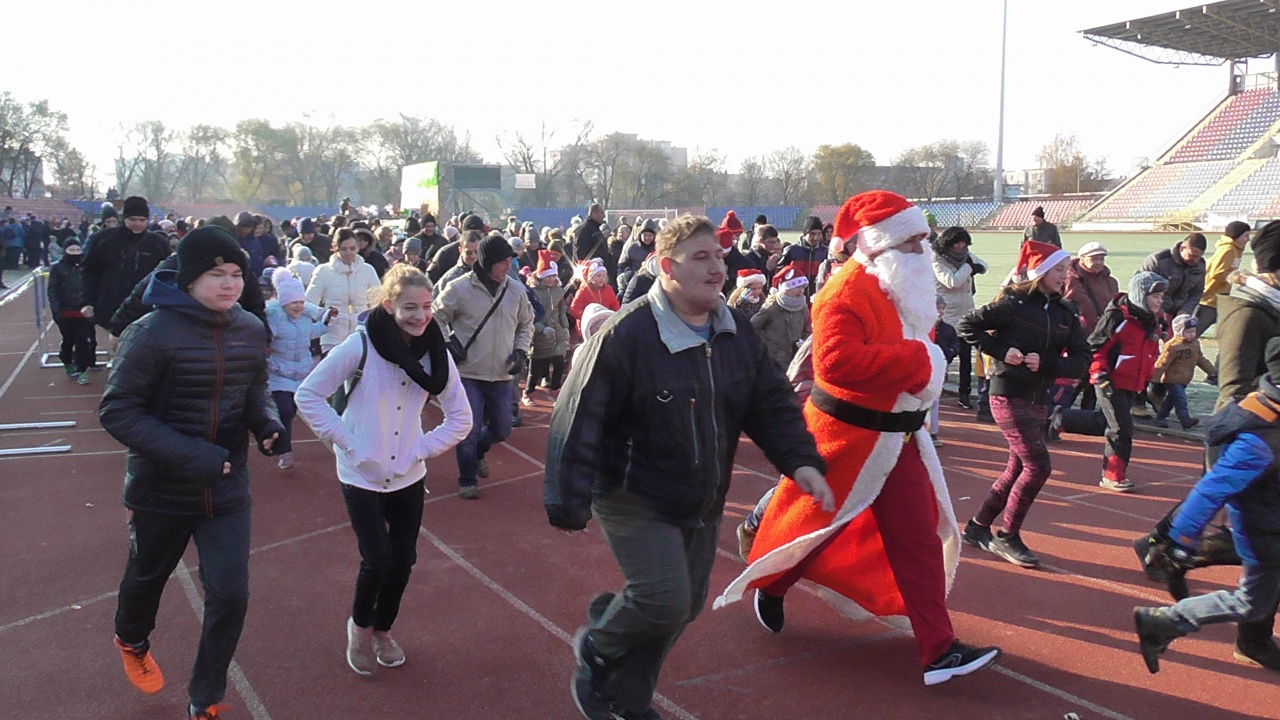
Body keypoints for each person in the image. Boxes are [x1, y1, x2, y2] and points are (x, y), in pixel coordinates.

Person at [546, 214, 831, 720]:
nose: (717, 267)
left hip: (700, 494)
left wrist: (801, 461)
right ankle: (598, 646)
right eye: (701, 257)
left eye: (719, 256)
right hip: (633, 491)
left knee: (686, 603)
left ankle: (627, 699)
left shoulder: (734, 331)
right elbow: (579, 411)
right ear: (666, 267)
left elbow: (768, 403)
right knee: (663, 599)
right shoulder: (627, 334)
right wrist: (567, 497)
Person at [719, 191, 1001, 687]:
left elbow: (915, 342)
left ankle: (938, 651)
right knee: (819, 528)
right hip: (843, 439)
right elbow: (836, 365)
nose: (923, 248)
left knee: (917, 539)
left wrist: (927, 358)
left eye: (923, 238)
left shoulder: (903, 285)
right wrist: (920, 364)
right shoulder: (844, 292)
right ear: (880, 244)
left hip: (898, 439)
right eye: (913, 240)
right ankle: (774, 580)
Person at [101, 226, 284, 720]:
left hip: (226, 487)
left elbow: (255, 389)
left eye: (236, 274)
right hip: (161, 489)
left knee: (230, 593)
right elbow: (117, 410)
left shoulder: (247, 327)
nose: (229, 284)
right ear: (187, 279)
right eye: (215, 274)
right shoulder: (151, 332)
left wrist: (267, 423)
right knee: (147, 576)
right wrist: (190, 454)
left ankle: (205, 695)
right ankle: (131, 638)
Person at [296, 264, 472, 675]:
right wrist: (351, 443)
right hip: (361, 473)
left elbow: (460, 418)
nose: (420, 316)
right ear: (390, 304)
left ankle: (383, 630)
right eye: (410, 307)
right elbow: (309, 396)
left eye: (427, 306)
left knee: (403, 560)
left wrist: (419, 450)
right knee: (375, 558)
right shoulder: (359, 346)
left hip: (408, 475)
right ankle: (360, 628)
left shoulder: (436, 355)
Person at [1133, 339, 1280, 674]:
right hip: (1264, 535)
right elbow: (1210, 490)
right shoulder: (1260, 439)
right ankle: (1163, 620)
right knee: (1251, 602)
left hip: (1271, 524)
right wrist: (1181, 540)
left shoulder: (1272, 414)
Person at [957, 240, 1090, 566]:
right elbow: (966, 325)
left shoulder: (1065, 312)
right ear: (1041, 271)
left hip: (1038, 397)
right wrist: (1002, 351)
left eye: (1066, 269)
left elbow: (1082, 359)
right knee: (1038, 466)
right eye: (1059, 269)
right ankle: (1007, 536)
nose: (1065, 275)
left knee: (1018, 467)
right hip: (1006, 393)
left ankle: (977, 528)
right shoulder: (1012, 303)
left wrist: (1044, 364)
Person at [433, 234, 534, 499]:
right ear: (488, 262)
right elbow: (435, 317)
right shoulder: (459, 288)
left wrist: (521, 350)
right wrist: (447, 342)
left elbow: (526, 323)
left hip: (502, 374)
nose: (508, 266)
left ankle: (479, 451)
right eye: (503, 261)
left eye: (511, 260)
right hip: (468, 373)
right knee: (469, 428)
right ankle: (467, 478)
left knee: (502, 428)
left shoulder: (515, 290)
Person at [1054, 272, 1169, 493]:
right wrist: (1100, 376)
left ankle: (1061, 417)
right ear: (1141, 295)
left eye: (1162, 296)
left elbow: (1150, 351)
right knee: (1121, 428)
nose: (1160, 300)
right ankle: (1112, 475)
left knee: (1105, 421)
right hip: (1109, 381)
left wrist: (1147, 378)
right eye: (1155, 295)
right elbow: (1095, 348)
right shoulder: (1117, 318)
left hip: (1133, 383)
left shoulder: (1154, 321)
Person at [80, 196, 170, 363]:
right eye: (132, 219)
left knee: (143, 352)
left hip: (146, 306)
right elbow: (89, 271)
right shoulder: (102, 239)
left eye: (142, 220)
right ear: (124, 218)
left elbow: (168, 275)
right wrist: (87, 301)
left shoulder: (158, 243)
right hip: (111, 304)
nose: (137, 224)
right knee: (121, 349)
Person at [265, 269, 334, 469]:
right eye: (294, 302)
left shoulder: (305, 319)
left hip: (302, 373)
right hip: (279, 374)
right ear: (284, 302)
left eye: (301, 302)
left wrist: (327, 322)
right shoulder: (274, 317)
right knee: (285, 410)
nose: (298, 306)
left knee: (302, 408)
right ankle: (284, 451)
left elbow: (313, 332)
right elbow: (266, 337)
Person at [931, 226, 988, 409]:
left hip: (966, 314)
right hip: (946, 317)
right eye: (956, 243)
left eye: (963, 243)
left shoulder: (966, 256)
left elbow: (984, 266)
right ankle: (934, 390)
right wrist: (969, 267)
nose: (960, 246)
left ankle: (964, 394)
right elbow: (952, 282)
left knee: (965, 358)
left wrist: (974, 266)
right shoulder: (937, 261)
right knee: (943, 357)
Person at [305, 229, 381, 356]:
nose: (348, 253)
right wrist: (324, 315)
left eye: (352, 248)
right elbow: (308, 303)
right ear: (335, 248)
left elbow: (378, 301)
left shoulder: (368, 270)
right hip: (332, 337)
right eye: (343, 249)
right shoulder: (323, 271)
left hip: (361, 335)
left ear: (358, 247)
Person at [1063, 241, 1119, 410]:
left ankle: (1086, 415)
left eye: (1102, 259)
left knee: (1095, 380)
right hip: (1079, 337)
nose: (1099, 263)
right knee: (1076, 378)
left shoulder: (1110, 282)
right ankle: (1057, 414)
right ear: (1082, 259)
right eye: (1094, 259)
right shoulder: (1070, 280)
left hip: (1104, 337)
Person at [1153, 314, 1215, 430]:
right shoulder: (1173, 346)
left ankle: (1160, 417)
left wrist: (1212, 372)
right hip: (1173, 379)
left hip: (1185, 379)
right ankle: (1185, 420)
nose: (1192, 334)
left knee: (1170, 400)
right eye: (1188, 332)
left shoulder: (1195, 344)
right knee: (1181, 399)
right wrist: (1156, 377)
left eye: (1193, 331)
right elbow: (1163, 362)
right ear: (1179, 331)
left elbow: (1201, 360)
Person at [46, 236, 95, 384]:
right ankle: (66, 360)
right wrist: (56, 311)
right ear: (65, 251)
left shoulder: (85, 266)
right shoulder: (57, 268)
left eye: (77, 250)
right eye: (71, 250)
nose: (75, 253)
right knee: (69, 340)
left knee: (83, 341)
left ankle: (82, 370)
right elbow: (52, 291)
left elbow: (91, 286)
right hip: (65, 312)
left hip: (82, 311)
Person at [524, 250, 570, 405]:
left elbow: (562, 310)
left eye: (553, 276)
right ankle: (528, 393)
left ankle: (555, 391)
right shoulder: (533, 292)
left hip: (556, 333)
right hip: (539, 335)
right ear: (541, 276)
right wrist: (541, 328)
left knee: (559, 363)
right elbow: (528, 315)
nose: (551, 279)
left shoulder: (558, 290)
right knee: (535, 368)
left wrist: (565, 328)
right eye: (548, 276)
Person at [1194, 220, 1253, 334]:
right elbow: (1216, 273)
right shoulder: (1228, 249)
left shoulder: (1236, 250)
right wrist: (1236, 278)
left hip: (1219, 299)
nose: (1248, 239)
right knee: (1191, 335)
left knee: (1228, 331)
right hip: (1208, 300)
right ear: (1237, 235)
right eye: (1246, 235)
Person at [750, 265, 811, 372]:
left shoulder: (803, 307)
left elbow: (808, 329)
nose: (801, 291)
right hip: (773, 359)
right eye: (797, 287)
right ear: (786, 289)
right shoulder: (772, 306)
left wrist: (803, 342)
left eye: (803, 287)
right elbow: (753, 327)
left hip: (795, 358)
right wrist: (765, 346)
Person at [1139, 233, 1207, 318]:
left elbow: (1196, 292)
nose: (1196, 260)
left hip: (1179, 313)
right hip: (1155, 312)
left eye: (1199, 257)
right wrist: (1159, 313)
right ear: (1182, 248)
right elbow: (1141, 289)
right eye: (1192, 256)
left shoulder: (1200, 265)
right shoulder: (1158, 260)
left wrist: (1184, 312)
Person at [930, 295, 961, 446]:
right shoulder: (921, 326)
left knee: (935, 400)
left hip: (940, 369)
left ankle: (933, 432)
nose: (941, 312)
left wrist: (948, 352)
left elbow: (956, 345)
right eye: (938, 308)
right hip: (923, 367)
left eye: (942, 308)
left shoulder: (948, 329)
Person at [779, 215, 828, 298]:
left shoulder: (825, 252)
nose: (816, 238)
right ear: (805, 233)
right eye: (812, 234)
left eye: (819, 234)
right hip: (794, 298)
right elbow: (780, 274)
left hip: (817, 297)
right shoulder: (791, 251)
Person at [569, 259, 621, 326]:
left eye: (603, 276)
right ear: (591, 277)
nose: (602, 278)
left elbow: (614, 304)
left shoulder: (609, 289)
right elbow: (574, 308)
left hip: (605, 323)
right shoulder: (583, 291)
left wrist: (615, 315)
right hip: (587, 326)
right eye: (598, 276)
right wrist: (587, 317)